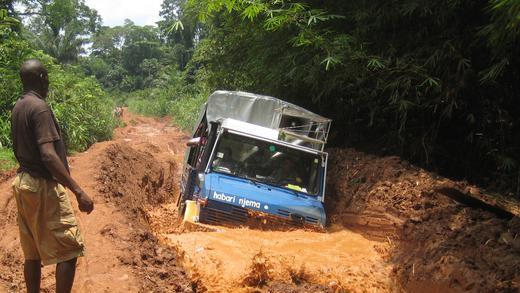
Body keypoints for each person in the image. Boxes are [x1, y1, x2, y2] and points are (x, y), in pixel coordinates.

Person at [10, 59, 94, 293]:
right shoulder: (40, 108)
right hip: (42, 185)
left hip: (24, 183)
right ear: (42, 79)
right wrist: (78, 190)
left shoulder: (19, 107)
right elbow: (48, 155)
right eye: (47, 78)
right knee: (69, 248)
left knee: (32, 253)